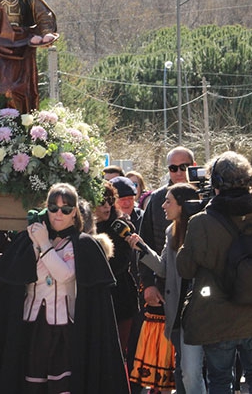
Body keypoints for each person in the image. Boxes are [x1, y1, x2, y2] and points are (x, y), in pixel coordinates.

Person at [0, 183, 129, 393]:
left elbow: (64, 275)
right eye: (53, 208)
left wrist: (44, 245)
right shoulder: (29, 240)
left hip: (65, 330)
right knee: (31, 386)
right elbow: (15, 276)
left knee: (62, 387)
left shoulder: (83, 244)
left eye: (66, 208)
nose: (58, 214)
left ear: (75, 213)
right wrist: (37, 242)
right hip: (31, 327)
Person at [176, 151, 252, 393]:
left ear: (215, 184)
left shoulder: (201, 222)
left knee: (220, 378)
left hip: (218, 315)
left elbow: (185, 268)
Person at [127, 183, 207, 394]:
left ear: (182, 205)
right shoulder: (171, 231)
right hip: (178, 314)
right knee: (183, 371)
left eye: (168, 201)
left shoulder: (200, 230)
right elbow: (163, 269)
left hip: (201, 311)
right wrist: (142, 248)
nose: (163, 205)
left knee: (193, 372)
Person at [139, 146, 195, 309]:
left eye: (184, 167)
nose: (178, 172)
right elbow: (145, 241)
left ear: (194, 165)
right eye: (173, 168)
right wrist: (148, 283)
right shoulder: (157, 199)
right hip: (165, 286)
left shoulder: (206, 195)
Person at [94, 182, 139, 354]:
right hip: (92, 300)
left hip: (119, 298)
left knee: (117, 353)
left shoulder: (121, 226)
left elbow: (120, 263)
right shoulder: (82, 228)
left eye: (110, 200)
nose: (107, 205)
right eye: (101, 201)